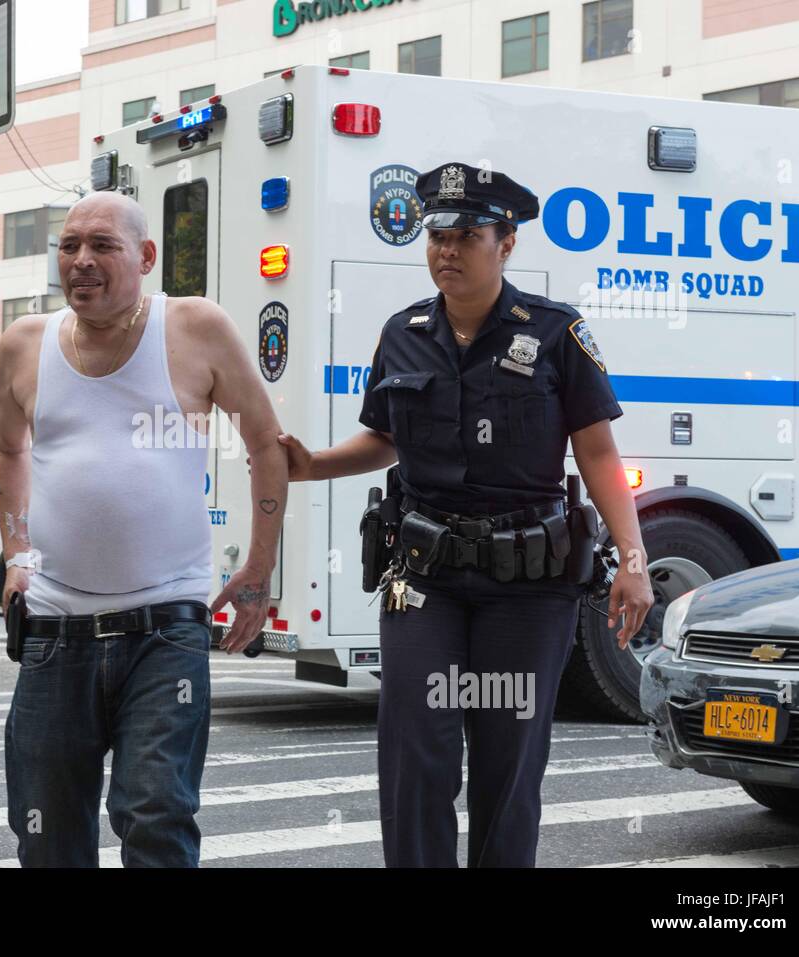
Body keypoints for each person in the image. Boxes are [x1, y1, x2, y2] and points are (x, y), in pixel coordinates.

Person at [280, 162, 654, 868]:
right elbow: (385, 439)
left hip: (528, 586)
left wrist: (632, 560)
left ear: (506, 243)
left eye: (465, 235)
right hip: (427, 579)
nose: (446, 249)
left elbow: (598, 452)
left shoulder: (553, 332)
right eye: (436, 235)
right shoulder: (403, 333)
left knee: (508, 760)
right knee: (416, 750)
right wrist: (311, 464)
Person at [0, 191, 288, 867]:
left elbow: (266, 444)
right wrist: (17, 553)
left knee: (155, 810)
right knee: (44, 827)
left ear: (146, 256)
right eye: (69, 246)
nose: (81, 261)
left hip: (165, 628)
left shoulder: (195, 329)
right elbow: (8, 452)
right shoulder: (22, 346)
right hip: (52, 630)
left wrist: (258, 570)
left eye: (103, 246)